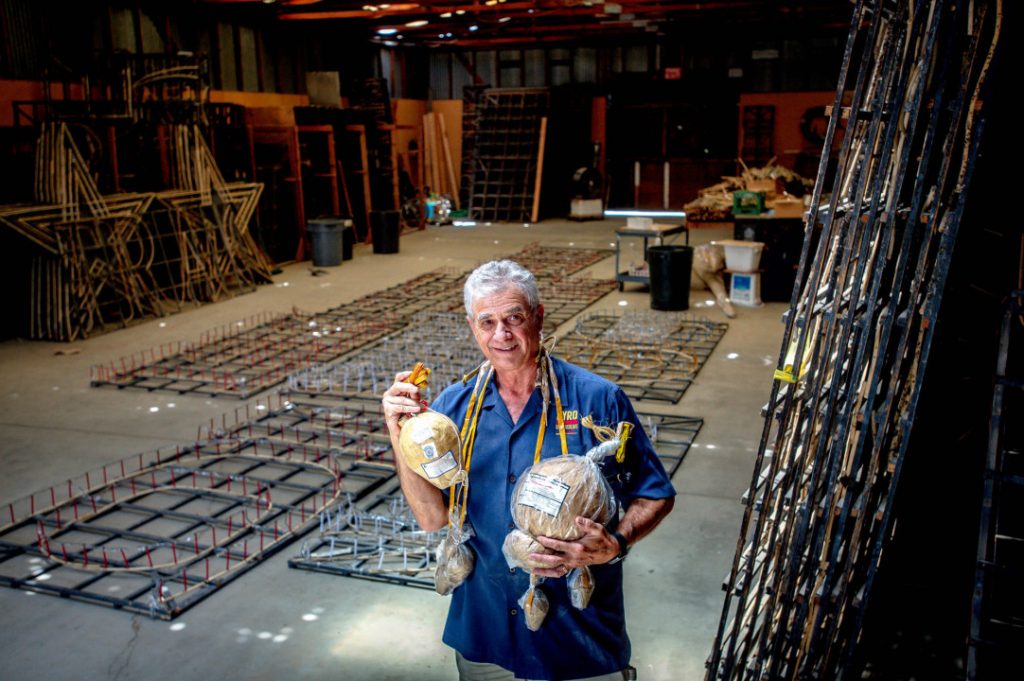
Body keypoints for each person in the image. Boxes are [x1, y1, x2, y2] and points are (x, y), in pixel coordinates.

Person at [381, 259, 676, 681]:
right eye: (487, 322)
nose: (501, 335)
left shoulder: (598, 401)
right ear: (472, 327)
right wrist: (399, 432)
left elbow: (656, 493)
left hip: (576, 641)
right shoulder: (453, 410)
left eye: (514, 318)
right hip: (486, 636)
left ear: (538, 317)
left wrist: (617, 542)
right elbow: (431, 517)